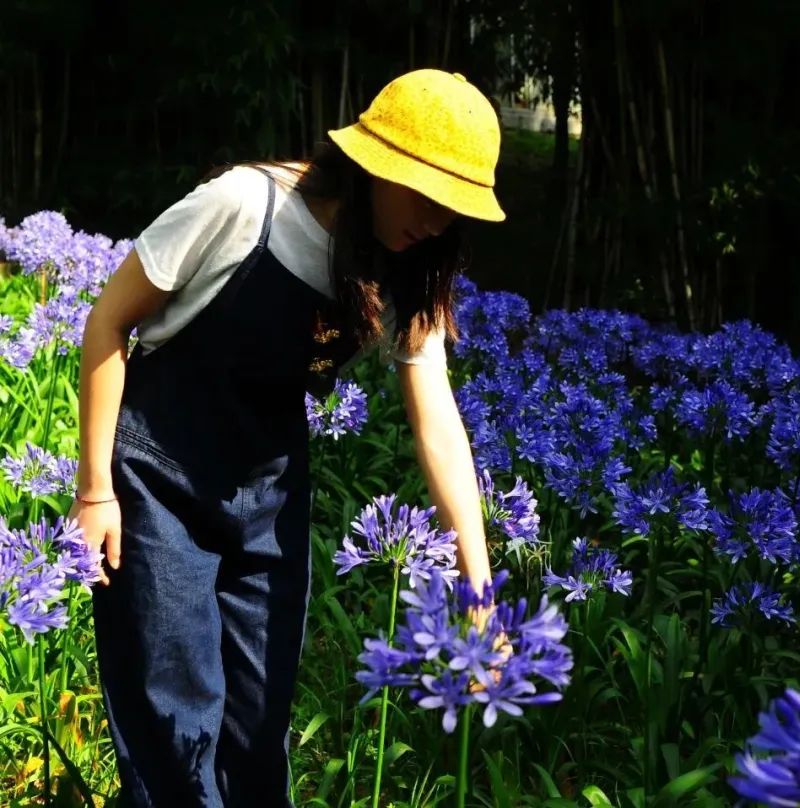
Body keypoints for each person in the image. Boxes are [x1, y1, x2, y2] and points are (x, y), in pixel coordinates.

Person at [69, 68, 505, 807]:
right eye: (427, 197)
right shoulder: (245, 204)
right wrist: (95, 491)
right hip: (156, 482)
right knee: (175, 722)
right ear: (376, 166)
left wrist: (478, 588)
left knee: (258, 730)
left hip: (267, 498)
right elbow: (108, 322)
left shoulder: (408, 269)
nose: (436, 222)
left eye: (452, 210)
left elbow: (438, 423)